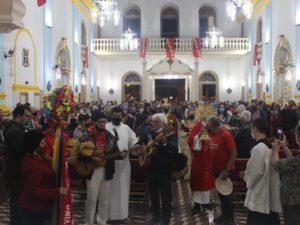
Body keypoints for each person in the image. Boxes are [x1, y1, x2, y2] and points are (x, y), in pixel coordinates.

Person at [84, 110, 125, 225]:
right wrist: (92, 158)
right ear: (94, 122)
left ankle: (102, 221)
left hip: (107, 170)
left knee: (104, 199)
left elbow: (115, 152)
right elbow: (80, 154)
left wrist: (121, 156)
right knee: (91, 199)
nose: (103, 124)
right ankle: (89, 222)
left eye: (104, 121)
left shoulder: (110, 136)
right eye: (100, 122)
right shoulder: (87, 135)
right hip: (92, 170)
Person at [19, 130, 68, 225]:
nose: (45, 144)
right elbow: (33, 190)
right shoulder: (32, 164)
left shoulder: (38, 156)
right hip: (33, 209)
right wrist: (57, 191)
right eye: (43, 142)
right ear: (35, 145)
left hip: (41, 206)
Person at [139, 113, 178, 225]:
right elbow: (140, 144)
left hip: (164, 169)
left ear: (163, 122)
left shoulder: (170, 133)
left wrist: (165, 142)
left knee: (166, 196)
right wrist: (142, 150)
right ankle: (156, 216)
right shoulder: (148, 133)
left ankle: (166, 218)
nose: (156, 124)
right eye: (154, 122)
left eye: (158, 121)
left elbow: (175, 147)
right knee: (154, 195)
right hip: (151, 168)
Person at [243, 118, 281, 225]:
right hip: (269, 190)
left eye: (252, 129)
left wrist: (247, 178)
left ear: (255, 129)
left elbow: (255, 172)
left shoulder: (259, 149)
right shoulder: (270, 146)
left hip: (260, 192)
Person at [106, 106, 138, 222]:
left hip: (124, 166)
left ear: (122, 116)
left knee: (124, 190)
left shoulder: (126, 128)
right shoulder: (106, 128)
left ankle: (123, 215)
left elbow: (134, 141)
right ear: (111, 115)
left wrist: (137, 147)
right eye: (115, 116)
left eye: (119, 116)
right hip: (109, 165)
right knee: (109, 190)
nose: (117, 118)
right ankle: (109, 216)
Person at [207, 116, 237, 225]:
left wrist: (226, 170)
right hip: (217, 170)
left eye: (209, 126)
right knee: (221, 196)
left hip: (225, 171)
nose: (208, 128)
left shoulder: (226, 135)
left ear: (214, 126)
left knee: (226, 197)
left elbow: (234, 153)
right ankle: (225, 216)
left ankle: (230, 219)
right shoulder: (214, 134)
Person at [4, 104, 31, 225]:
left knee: (18, 198)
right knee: (16, 199)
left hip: (15, 167)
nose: (26, 118)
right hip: (15, 168)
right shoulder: (14, 131)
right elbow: (20, 149)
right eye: (25, 116)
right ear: (19, 115)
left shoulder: (15, 127)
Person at [273, 126, 300, 225]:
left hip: (292, 199)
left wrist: (275, 151)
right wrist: (284, 147)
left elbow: (277, 166)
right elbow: (292, 160)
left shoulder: (296, 160)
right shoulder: (295, 159)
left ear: (298, 139)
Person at [187, 121, 214, 214]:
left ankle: (206, 202)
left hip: (209, 157)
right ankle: (197, 205)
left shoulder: (212, 126)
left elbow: (216, 139)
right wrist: (199, 134)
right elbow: (190, 140)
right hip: (198, 158)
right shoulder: (197, 127)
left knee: (206, 180)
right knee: (197, 180)